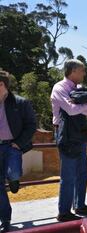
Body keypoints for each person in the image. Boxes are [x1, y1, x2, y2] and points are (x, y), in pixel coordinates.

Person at [51, 59, 87, 222]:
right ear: (72, 72)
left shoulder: (78, 88)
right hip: (65, 135)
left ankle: (79, 205)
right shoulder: (59, 88)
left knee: (82, 172)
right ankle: (64, 212)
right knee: (69, 174)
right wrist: (83, 105)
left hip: (79, 133)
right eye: (82, 70)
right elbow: (70, 110)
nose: (84, 73)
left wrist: (80, 105)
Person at [0, 70, 36, 233]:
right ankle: (5, 219)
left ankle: (14, 179)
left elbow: (31, 125)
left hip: (12, 146)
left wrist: (18, 144)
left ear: (2, 85)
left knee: (13, 174)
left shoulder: (20, 103)